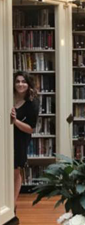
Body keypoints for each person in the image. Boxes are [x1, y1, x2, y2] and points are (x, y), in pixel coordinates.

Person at [11, 72, 39, 202]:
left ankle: (12, 204)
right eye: (18, 81)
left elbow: (30, 129)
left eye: (24, 81)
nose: (20, 84)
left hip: (20, 141)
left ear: (28, 84)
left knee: (16, 170)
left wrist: (15, 121)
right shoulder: (7, 97)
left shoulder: (32, 103)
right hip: (5, 138)